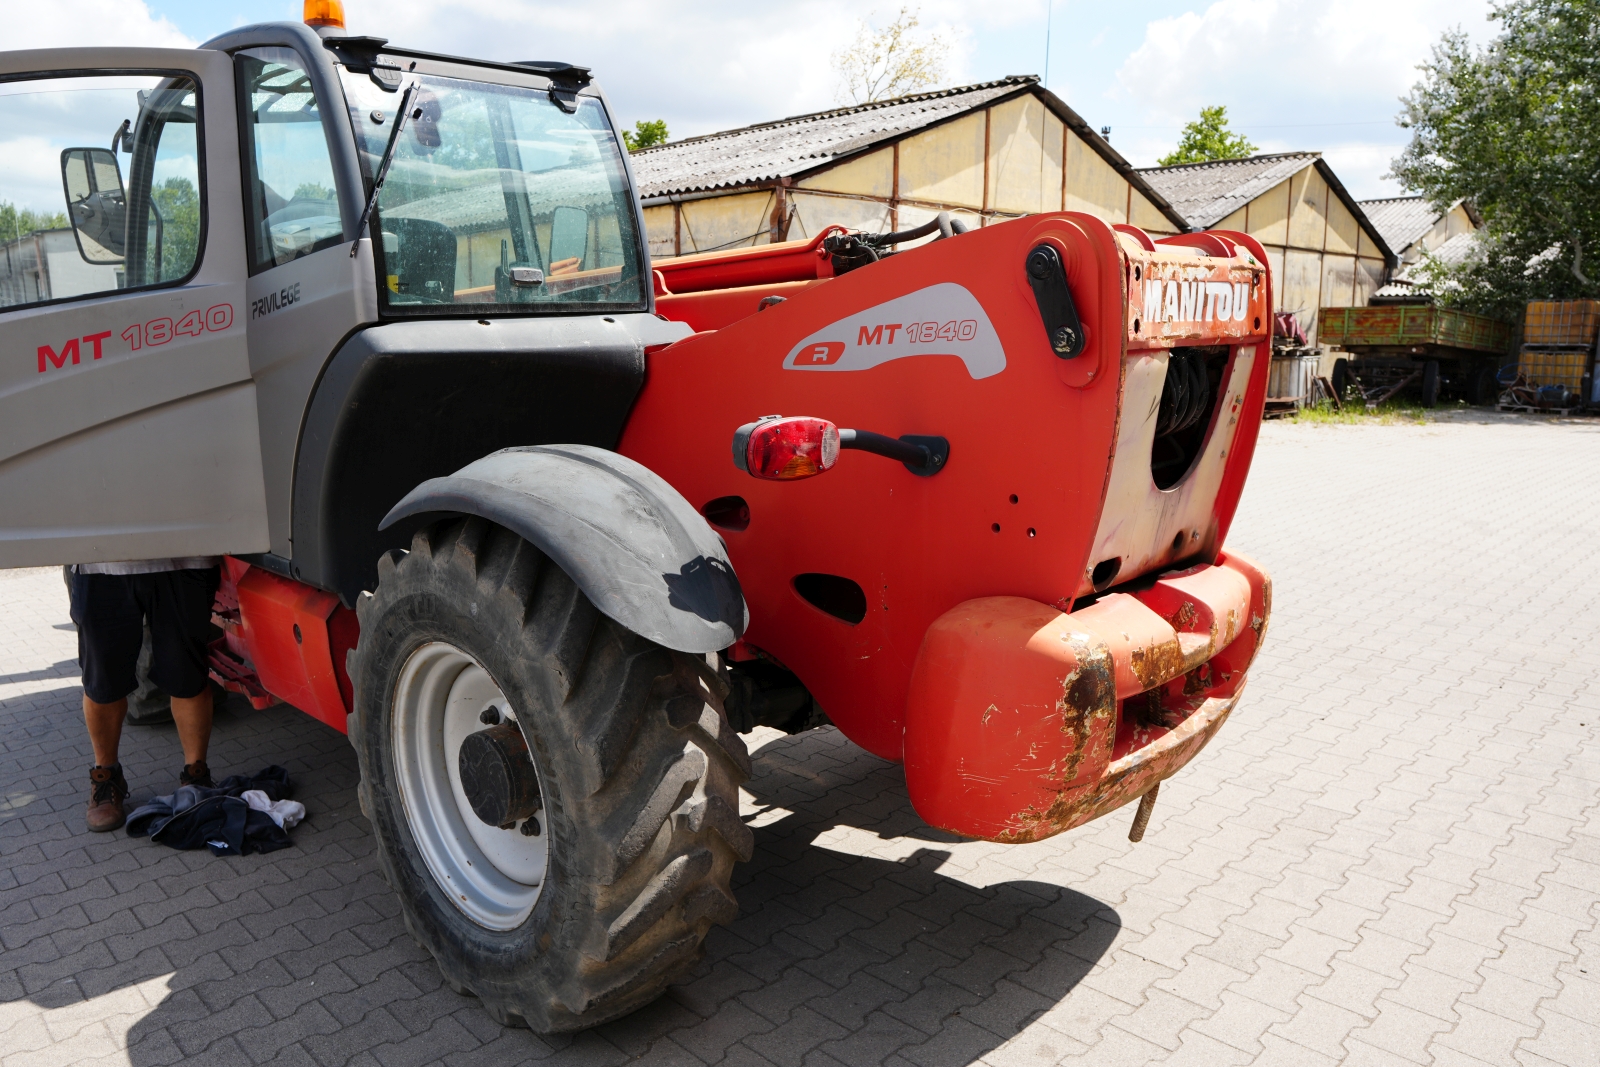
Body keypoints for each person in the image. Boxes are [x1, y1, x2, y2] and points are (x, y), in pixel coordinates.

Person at [68, 558, 222, 832]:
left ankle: (196, 776)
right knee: (102, 681)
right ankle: (106, 776)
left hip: (184, 560)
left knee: (188, 676)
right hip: (100, 564)